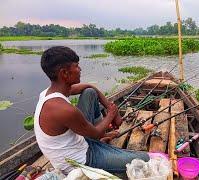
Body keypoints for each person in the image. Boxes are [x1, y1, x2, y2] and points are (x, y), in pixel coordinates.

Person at [34, 46, 149, 175]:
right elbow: (95, 134)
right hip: (81, 160)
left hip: (82, 141)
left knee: (89, 92)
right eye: (76, 66)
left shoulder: (49, 93)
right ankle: (101, 146)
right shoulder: (64, 110)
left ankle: (101, 141)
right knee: (145, 160)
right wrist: (111, 115)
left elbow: (88, 87)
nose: (80, 69)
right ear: (64, 73)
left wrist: (111, 109)